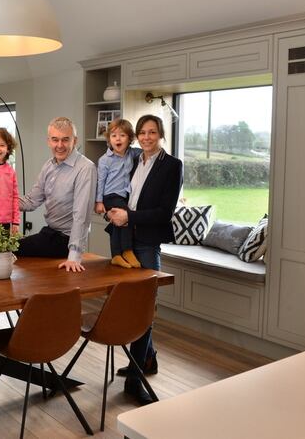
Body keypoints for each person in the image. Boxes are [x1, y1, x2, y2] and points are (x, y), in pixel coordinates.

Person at [106, 114, 183, 405]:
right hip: (124, 236)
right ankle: (147, 359)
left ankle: (135, 380)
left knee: (144, 308)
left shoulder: (172, 166)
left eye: (152, 132)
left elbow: (165, 212)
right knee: (129, 303)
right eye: (142, 133)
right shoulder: (133, 159)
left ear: (161, 134)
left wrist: (131, 216)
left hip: (148, 241)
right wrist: (113, 210)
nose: (147, 137)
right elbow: (119, 191)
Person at [17, 117, 97, 272]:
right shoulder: (49, 165)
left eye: (65, 140)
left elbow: (81, 215)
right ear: (48, 141)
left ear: (75, 140)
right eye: (55, 140)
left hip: (65, 242)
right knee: (2, 246)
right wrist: (0, 201)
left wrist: (73, 257)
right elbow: (32, 201)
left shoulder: (86, 168)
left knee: (8, 249)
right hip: (49, 234)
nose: (60, 145)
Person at [95, 118, 142, 269]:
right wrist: (99, 201)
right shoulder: (104, 160)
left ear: (130, 139)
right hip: (110, 196)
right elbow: (100, 182)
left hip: (124, 197)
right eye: (114, 135)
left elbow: (148, 151)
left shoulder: (133, 154)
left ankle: (116, 255)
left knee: (116, 224)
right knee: (126, 216)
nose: (118, 139)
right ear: (109, 139)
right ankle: (127, 250)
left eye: (122, 135)